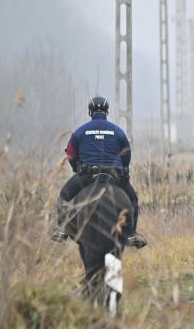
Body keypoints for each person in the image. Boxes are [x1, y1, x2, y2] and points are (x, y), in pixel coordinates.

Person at [50, 96, 147, 249]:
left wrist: (76, 168)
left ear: (90, 111)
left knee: (64, 196)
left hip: (87, 176)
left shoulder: (80, 132)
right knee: (133, 199)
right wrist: (123, 172)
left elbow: (70, 154)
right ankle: (132, 234)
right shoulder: (118, 131)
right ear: (107, 111)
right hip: (114, 176)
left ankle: (62, 230)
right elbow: (127, 155)